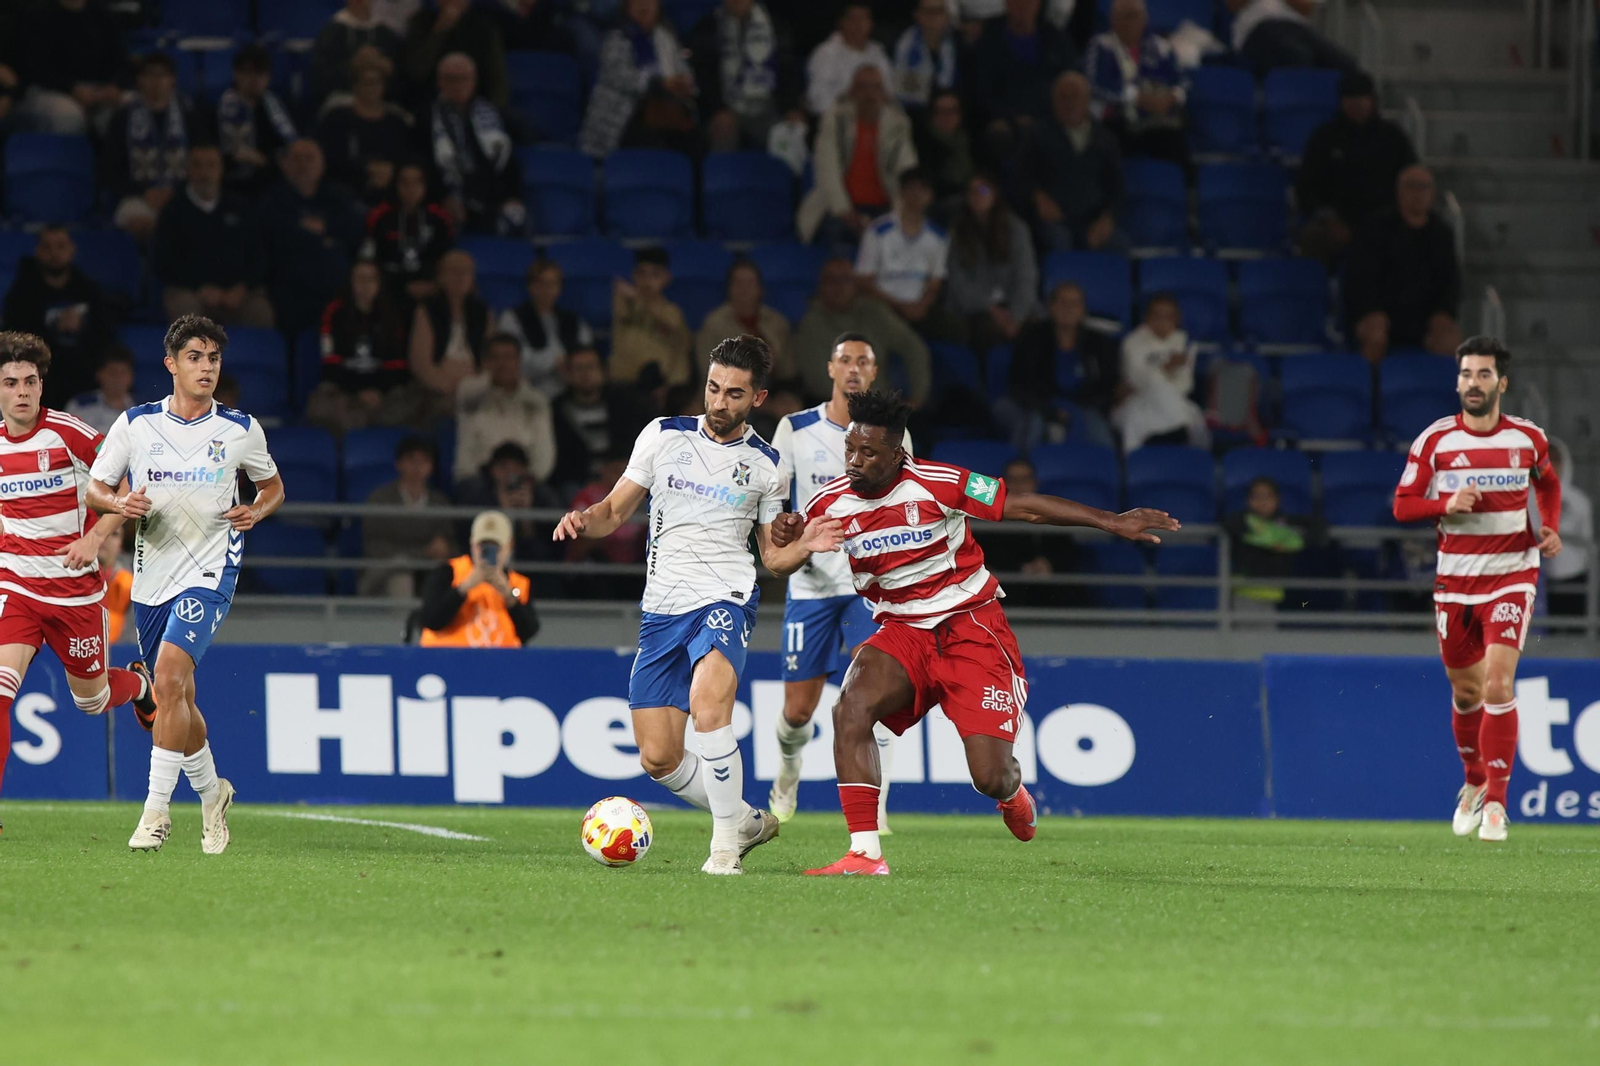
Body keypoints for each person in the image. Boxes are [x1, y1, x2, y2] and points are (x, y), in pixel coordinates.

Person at [783, 389, 1177, 874]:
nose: (854, 461)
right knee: (850, 708)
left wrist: (1110, 521)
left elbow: (1025, 507)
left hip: (968, 625)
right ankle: (864, 853)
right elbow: (792, 536)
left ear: (897, 454)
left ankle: (1011, 793)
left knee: (988, 776)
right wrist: (788, 532)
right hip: (901, 629)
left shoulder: (939, 482)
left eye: (868, 453)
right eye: (849, 449)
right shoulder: (831, 500)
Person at [553, 335, 845, 874]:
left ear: (757, 399)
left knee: (710, 707)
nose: (719, 402)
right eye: (713, 388)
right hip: (662, 606)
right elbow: (614, 511)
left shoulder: (766, 465)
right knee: (658, 757)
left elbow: (773, 559)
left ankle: (724, 851)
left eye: (734, 394)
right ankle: (745, 821)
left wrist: (802, 546)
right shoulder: (663, 436)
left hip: (725, 599)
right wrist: (582, 519)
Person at [88, 315, 287, 854]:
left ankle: (154, 813)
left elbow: (273, 488)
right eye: (195, 358)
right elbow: (96, 490)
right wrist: (119, 503)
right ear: (171, 363)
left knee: (170, 678)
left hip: (211, 569)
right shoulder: (135, 424)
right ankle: (211, 792)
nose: (207, 368)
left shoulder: (241, 430)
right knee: (180, 700)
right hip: (153, 575)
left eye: (214, 359)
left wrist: (256, 511)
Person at [1391, 336, 1562, 843]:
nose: (1473, 383)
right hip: (1454, 580)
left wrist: (1548, 527)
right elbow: (1402, 506)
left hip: (1512, 573)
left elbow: (1546, 484)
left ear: (1501, 384)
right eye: (1466, 374)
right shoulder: (1435, 442)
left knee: (1497, 685)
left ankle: (1498, 806)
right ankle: (1473, 782)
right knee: (1466, 692)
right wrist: (1445, 504)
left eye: (1483, 375)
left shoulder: (1528, 439)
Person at [0, 333, 156, 829]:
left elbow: (127, 487)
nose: (21, 391)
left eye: (29, 381)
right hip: (17, 588)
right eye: (10, 382)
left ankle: (139, 685)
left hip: (75, 593)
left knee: (91, 701)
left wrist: (95, 539)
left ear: (41, 385)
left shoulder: (68, 433)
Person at [767, 334, 910, 826]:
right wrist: (783, 531)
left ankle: (880, 804)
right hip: (809, 586)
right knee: (797, 714)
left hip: (867, 588)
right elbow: (775, 501)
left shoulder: (895, 436)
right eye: (845, 360)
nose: (853, 369)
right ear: (830, 368)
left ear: (874, 373)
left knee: (875, 694)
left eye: (863, 362)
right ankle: (788, 772)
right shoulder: (795, 428)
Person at [1345, 165, 1462, 364]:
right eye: (1411, 186)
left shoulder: (1442, 234)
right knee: (1375, 336)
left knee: (1451, 342)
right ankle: (1371, 390)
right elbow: (1361, 279)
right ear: (1399, 191)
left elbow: (1450, 282)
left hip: (1425, 318)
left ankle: (1437, 393)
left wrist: (1443, 313)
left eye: (1423, 187)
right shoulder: (1376, 229)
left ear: (1432, 193)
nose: (1417, 193)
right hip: (1382, 313)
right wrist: (1372, 311)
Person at [1295, 70, 1416, 262]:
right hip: (1337, 221)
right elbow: (1306, 186)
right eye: (1350, 98)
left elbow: (1412, 178)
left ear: (1372, 100)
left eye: (1362, 98)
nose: (1356, 104)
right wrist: (1329, 218)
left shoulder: (1392, 137)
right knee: (1312, 239)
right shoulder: (1324, 137)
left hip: (1386, 221)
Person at [152, 144, 276, 328]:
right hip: (192, 292)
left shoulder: (240, 207)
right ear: (188, 170)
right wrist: (200, 288)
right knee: (186, 316)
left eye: (211, 165)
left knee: (261, 313)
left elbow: (258, 256)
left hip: (238, 294)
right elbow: (164, 261)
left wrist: (241, 289)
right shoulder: (173, 210)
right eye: (198, 165)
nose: (204, 172)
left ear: (221, 169)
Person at [798, 65, 918, 248]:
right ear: (852, 91)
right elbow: (827, 171)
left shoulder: (898, 125)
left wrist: (900, 215)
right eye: (863, 87)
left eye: (875, 87)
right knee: (837, 235)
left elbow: (906, 171)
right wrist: (846, 213)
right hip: (840, 208)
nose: (869, 94)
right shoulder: (834, 121)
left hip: (885, 209)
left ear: (884, 93)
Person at [996, 280, 1119, 452]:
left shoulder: (1098, 343)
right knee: (1033, 425)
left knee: (1100, 436)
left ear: (1083, 309)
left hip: (1082, 406)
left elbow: (1107, 385)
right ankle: (1019, 474)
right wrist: (1051, 409)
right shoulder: (1032, 338)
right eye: (1063, 303)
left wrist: (1076, 408)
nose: (1069, 309)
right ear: (1051, 307)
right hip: (1035, 404)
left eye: (1075, 303)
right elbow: (1021, 383)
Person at [1, 225, 117, 406]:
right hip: (39, 379)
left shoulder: (89, 291)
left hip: (83, 378)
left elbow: (105, 337)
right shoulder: (21, 293)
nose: (54, 253)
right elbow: (14, 342)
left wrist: (82, 328)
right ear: (37, 251)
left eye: (61, 246)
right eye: (47, 247)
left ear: (73, 250)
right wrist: (54, 327)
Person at [794, 257, 932, 407]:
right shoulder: (811, 323)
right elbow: (817, 380)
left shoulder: (874, 312)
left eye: (845, 280)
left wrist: (917, 400)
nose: (839, 287)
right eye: (831, 281)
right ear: (821, 286)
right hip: (833, 410)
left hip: (880, 406)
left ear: (855, 284)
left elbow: (913, 347)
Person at [263, 139, 366, 337]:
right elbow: (277, 235)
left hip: (337, 288)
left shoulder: (338, 196)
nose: (303, 165)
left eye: (309, 158)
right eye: (297, 159)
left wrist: (324, 228)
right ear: (284, 164)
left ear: (322, 163)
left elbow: (355, 230)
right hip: (290, 289)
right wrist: (325, 238)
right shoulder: (272, 199)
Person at [305, 259, 414, 434]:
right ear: (350, 282)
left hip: (383, 393)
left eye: (371, 279)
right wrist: (358, 391)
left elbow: (398, 364)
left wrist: (377, 389)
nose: (366, 285)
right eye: (360, 278)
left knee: (412, 401)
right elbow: (330, 362)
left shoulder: (392, 315)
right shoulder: (334, 313)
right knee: (321, 404)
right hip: (345, 389)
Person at [578, 0, 697, 159]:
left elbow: (685, 74)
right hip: (621, 123)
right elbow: (620, 76)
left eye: (650, 1)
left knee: (693, 140)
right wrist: (659, 84)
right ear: (627, 6)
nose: (644, 5)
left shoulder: (665, 38)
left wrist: (683, 84)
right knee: (652, 142)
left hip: (661, 115)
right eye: (637, 1)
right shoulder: (617, 37)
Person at [1025, 71, 1124, 252]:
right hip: (1054, 219)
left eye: (1075, 97)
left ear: (1087, 100)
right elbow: (1022, 176)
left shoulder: (1105, 139)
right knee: (1059, 241)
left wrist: (1107, 218)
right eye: (1063, 97)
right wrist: (1037, 196)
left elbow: (1117, 186)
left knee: (1118, 244)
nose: (1069, 103)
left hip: (1093, 218)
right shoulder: (1037, 135)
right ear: (1053, 101)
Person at [943, 172, 1039, 354]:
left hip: (1014, 305)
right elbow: (958, 282)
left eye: (983, 190)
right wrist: (990, 309)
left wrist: (1015, 317)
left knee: (1036, 331)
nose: (977, 196)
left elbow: (1026, 277)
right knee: (985, 331)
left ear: (995, 193)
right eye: (971, 191)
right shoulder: (957, 231)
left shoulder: (1017, 230)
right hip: (973, 309)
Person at [1084, 0, 1188, 167]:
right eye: (1124, 16)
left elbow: (1183, 82)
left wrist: (1171, 98)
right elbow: (1093, 86)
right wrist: (1136, 98)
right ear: (1113, 20)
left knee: (1177, 145)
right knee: (1108, 147)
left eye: (1135, 16)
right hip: (1116, 122)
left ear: (1144, 19)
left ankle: (1188, 189)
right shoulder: (1101, 46)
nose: (1130, 22)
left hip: (1155, 121)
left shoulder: (1161, 47)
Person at [427, 53, 523, 233]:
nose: (459, 85)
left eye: (464, 78)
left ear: (474, 81)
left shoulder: (491, 114)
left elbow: (508, 159)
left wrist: (512, 196)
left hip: (491, 194)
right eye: (451, 79)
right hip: (449, 195)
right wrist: (445, 196)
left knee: (517, 219)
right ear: (440, 82)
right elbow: (426, 164)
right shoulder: (429, 117)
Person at [104, 53, 194, 243]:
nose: (156, 81)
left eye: (162, 75)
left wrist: (177, 192)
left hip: (181, 194)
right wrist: (144, 192)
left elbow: (202, 160)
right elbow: (110, 170)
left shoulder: (189, 115)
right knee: (140, 225)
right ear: (140, 80)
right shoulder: (122, 118)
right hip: (137, 195)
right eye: (150, 75)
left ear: (172, 79)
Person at [690, 0, 801, 152]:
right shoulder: (708, 27)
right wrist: (717, 108)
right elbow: (703, 76)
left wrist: (791, 107)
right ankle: (725, 175)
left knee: (792, 128)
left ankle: (787, 175)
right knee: (723, 125)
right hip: (727, 106)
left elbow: (788, 70)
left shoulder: (775, 25)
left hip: (769, 106)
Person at [971, 0, 1078, 153]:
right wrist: (1013, 118)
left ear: (1038, 4)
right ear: (1007, 4)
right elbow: (982, 93)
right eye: (1017, 2)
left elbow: (1069, 84)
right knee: (998, 132)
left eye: (1028, 2)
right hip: (1005, 124)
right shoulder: (988, 43)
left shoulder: (1057, 41)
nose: (1022, 6)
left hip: (1050, 120)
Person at [418, 511, 538, 646]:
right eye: (483, 545)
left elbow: (529, 631)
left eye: (495, 546)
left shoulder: (518, 583)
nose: (487, 552)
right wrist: (464, 588)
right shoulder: (448, 572)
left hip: (501, 662)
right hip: (448, 660)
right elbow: (430, 620)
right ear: (472, 544)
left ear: (509, 546)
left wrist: (509, 596)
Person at [11, 0, 127, 136]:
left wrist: (115, 85)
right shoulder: (37, 16)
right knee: (68, 115)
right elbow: (37, 69)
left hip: (98, 89)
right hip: (48, 90)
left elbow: (121, 61)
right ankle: (66, 157)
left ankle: (116, 157)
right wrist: (72, 88)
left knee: (131, 107)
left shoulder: (104, 16)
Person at [317, 48, 415, 207]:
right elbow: (329, 158)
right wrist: (366, 169)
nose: (373, 88)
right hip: (347, 194)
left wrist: (392, 170)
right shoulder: (336, 118)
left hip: (392, 194)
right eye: (367, 82)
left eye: (377, 82)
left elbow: (407, 157)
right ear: (355, 85)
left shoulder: (398, 122)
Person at [455, 333, 557, 484]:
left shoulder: (535, 401)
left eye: (508, 357)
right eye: (495, 357)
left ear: (519, 361)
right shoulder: (469, 393)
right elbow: (466, 463)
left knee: (550, 502)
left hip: (524, 479)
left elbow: (544, 453)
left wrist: (530, 479)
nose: (502, 364)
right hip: (479, 479)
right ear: (486, 362)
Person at [855, 168, 948, 332]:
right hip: (883, 306)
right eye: (911, 188)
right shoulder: (878, 231)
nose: (916, 195)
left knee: (955, 328)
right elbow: (863, 280)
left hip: (919, 308)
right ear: (902, 193)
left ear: (931, 196)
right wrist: (899, 305)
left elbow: (935, 283)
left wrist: (921, 306)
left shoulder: (938, 237)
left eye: (923, 189)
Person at [1112, 292, 1207, 452]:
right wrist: (1166, 369)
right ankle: (1133, 467)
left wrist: (1158, 379)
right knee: (1135, 419)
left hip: (1175, 400)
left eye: (1168, 316)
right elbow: (1136, 379)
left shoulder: (1184, 342)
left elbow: (1185, 385)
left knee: (1195, 420)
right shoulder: (1132, 342)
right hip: (1138, 401)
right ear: (1146, 317)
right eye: (1157, 315)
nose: (1162, 321)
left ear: (1177, 319)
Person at [362, 435, 455, 596]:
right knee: (401, 578)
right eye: (411, 460)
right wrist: (423, 553)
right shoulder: (380, 499)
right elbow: (376, 548)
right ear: (399, 464)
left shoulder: (440, 502)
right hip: (385, 572)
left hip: (428, 570)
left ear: (431, 467)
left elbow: (450, 545)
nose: (417, 467)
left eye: (424, 461)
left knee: (444, 575)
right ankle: (401, 622)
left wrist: (443, 549)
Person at [550, 347, 653, 492]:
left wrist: (620, 466)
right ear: (568, 373)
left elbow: (636, 441)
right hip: (580, 481)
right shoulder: (557, 410)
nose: (585, 374)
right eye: (579, 368)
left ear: (603, 371)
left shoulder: (624, 403)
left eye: (591, 367)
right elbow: (560, 459)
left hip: (623, 475)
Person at [980, 458, 1078, 607]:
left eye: (1025, 479)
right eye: (1013, 479)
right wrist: (1018, 569)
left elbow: (1069, 557)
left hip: (1050, 604)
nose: (1019, 485)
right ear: (1003, 484)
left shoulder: (1055, 519)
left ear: (1035, 482)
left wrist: (1049, 564)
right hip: (1007, 603)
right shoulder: (987, 524)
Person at [409, 248, 496, 414]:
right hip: (439, 389)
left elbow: (491, 357)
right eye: (455, 272)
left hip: (477, 386)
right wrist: (446, 386)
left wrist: (477, 385)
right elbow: (420, 363)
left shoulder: (483, 312)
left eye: (466, 272)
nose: (461, 277)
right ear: (441, 277)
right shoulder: (427, 310)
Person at [498, 259, 594, 398]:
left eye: (552, 284)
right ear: (530, 287)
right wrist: (557, 360)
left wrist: (567, 366)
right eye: (540, 284)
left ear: (559, 288)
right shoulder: (512, 318)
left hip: (568, 390)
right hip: (528, 390)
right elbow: (518, 362)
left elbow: (585, 353)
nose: (546, 290)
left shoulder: (574, 320)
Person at [364, 160, 456, 302]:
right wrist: (400, 287)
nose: (410, 189)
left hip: (430, 290)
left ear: (425, 185)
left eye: (417, 182)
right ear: (396, 184)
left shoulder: (439, 219)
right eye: (404, 182)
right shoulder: (380, 217)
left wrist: (435, 284)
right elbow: (370, 260)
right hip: (389, 290)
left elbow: (447, 260)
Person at [696, 260, 794, 388]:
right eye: (738, 283)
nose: (744, 289)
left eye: (750, 283)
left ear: (761, 289)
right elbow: (708, 374)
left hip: (774, 390)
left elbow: (789, 372)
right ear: (729, 289)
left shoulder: (778, 323)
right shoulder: (713, 325)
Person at [217, 45, 298, 198]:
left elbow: (288, 147)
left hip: (273, 182)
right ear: (236, 74)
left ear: (268, 77)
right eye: (248, 72)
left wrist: (263, 160)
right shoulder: (220, 108)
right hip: (233, 185)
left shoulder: (276, 107)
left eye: (260, 73)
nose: (254, 79)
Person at [609, 246, 693, 389]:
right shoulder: (625, 305)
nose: (647, 281)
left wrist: (637, 298)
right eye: (641, 274)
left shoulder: (672, 311)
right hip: (624, 386)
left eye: (655, 275)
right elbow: (623, 314)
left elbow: (669, 328)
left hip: (663, 389)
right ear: (634, 275)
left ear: (666, 278)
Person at [404, 0, 509, 109]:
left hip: (476, 105)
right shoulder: (420, 22)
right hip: (430, 104)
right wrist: (439, 31)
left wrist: (496, 110)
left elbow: (497, 78)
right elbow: (417, 71)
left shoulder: (486, 27)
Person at [1224, 476, 1308, 610]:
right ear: (1248, 500)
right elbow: (1228, 523)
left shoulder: (1284, 523)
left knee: (1267, 629)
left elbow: (1309, 526)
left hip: (1272, 592)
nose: (1262, 502)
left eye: (1267, 496)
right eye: (1256, 496)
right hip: (1245, 592)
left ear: (1277, 499)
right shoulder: (1240, 521)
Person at [1227, 0, 1359, 78]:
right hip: (1258, 26)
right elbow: (1232, 5)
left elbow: (1306, 9)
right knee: (1297, 56)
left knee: (1345, 64)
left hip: (1298, 27)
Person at [311, 0, 405, 108]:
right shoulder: (333, 32)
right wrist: (355, 64)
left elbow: (401, 79)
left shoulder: (385, 33)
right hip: (343, 102)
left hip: (383, 104)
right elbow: (320, 78)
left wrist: (384, 66)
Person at [805, 3, 893, 117]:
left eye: (863, 19)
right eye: (853, 19)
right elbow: (816, 100)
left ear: (871, 24)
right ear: (842, 22)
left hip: (876, 120)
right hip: (837, 121)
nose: (858, 24)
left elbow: (890, 92)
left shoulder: (878, 52)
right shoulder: (825, 53)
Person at [1544, 440, 1592, 616]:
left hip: (1574, 577)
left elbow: (1587, 541)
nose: (1551, 465)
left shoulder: (1579, 501)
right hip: (1537, 582)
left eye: (1555, 459)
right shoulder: (1525, 499)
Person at [914, 90, 975, 220]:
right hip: (938, 201)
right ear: (932, 115)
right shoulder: (922, 143)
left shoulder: (973, 141)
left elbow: (986, 182)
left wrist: (983, 191)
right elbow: (928, 182)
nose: (947, 116)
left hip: (972, 193)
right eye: (941, 111)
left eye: (952, 111)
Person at [892, 0, 958, 113]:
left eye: (938, 11)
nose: (933, 16)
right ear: (917, 15)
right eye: (928, 11)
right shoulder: (904, 44)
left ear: (947, 16)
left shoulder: (958, 43)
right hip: (915, 110)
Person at [67, 347, 136, 434]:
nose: (118, 379)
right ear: (99, 374)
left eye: (123, 373)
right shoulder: (80, 406)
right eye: (113, 373)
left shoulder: (143, 409)